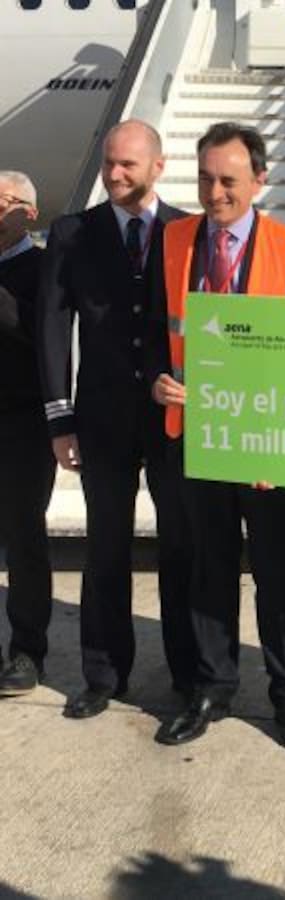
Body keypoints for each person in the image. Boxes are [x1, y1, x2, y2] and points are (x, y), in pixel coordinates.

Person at [150, 121, 285, 751]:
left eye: (228, 180)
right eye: (204, 179)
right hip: (196, 435)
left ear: (259, 180)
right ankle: (212, 687)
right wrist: (159, 380)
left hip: (264, 442)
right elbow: (156, 330)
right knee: (209, 568)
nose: (214, 192)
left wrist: (281, 441)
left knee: (277, 573)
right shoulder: (173, 240)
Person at [37, 120, 195, 717]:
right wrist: (60, 419)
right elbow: (54, 326)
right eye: (109, 163)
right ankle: (103, 673)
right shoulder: (73, 233)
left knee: (180, 545)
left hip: (171, 416)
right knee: (106, 546)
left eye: (128, 164)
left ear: (158, 166)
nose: (115, 174)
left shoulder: (186, 231)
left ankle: (189, 674)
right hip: (101, 417)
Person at [0, 172, 54, 697]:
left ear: (29, 213)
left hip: (23, 423)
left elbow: (39, 334)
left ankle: (27, 650)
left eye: (2, 203)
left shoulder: (42, 268)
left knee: (23, 538)